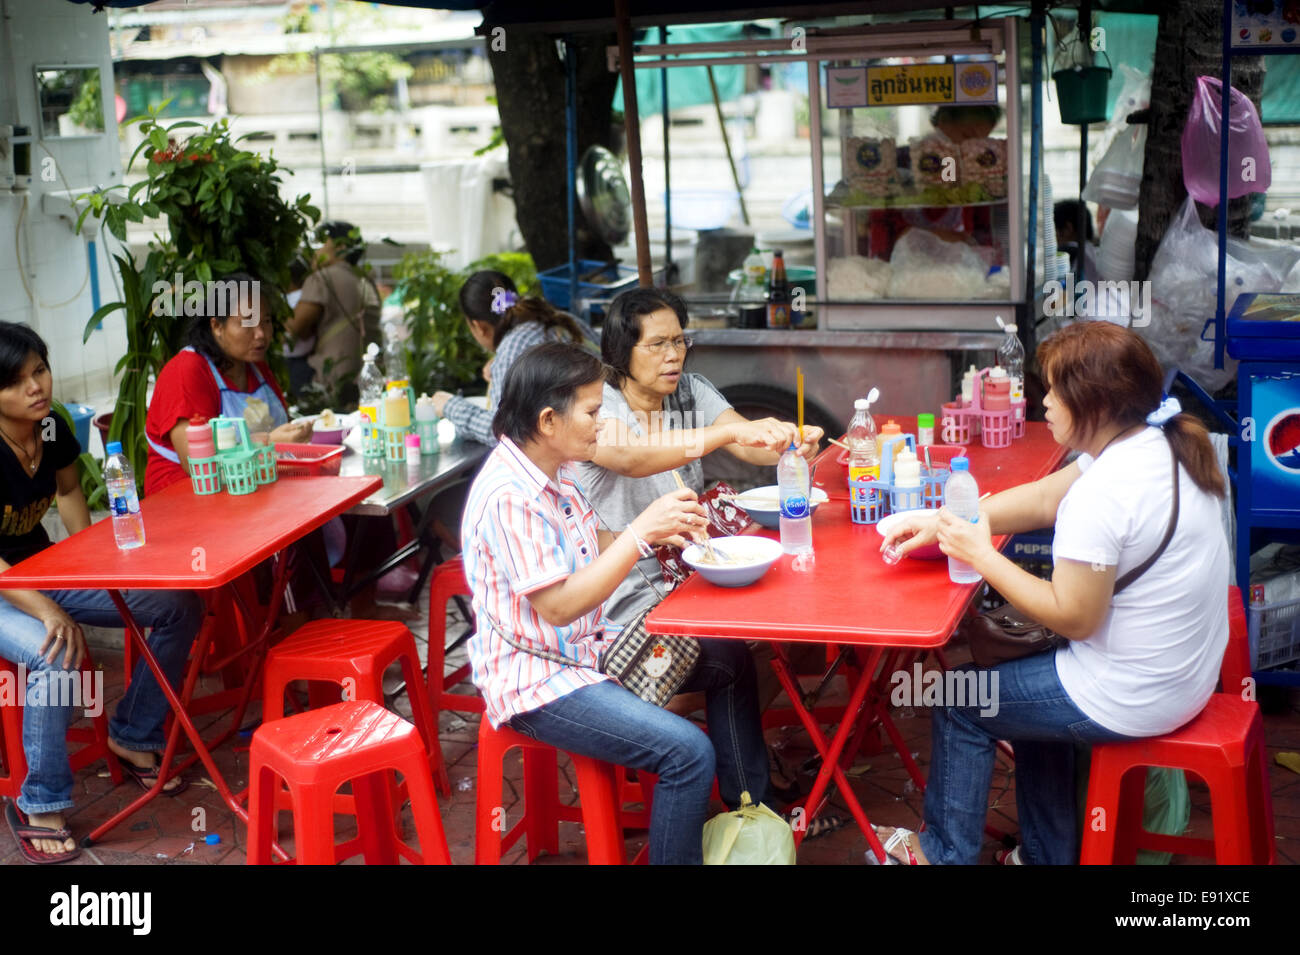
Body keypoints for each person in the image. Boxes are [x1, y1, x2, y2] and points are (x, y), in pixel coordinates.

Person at [875, 321, 1229, 865]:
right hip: (1183, 676)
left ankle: (943, 856)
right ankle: (1047, 856)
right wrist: (941, 519)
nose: (1044, 401)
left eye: (1056, 390)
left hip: (1136, 694)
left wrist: (982, 555)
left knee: (957, 699)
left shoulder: (1105, 494)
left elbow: (1074, 619)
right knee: (1020, 694)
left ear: (1096, 402)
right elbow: (1042, 499)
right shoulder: (1150, 441)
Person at [461, 341, 775, 865]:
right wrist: (639, 533)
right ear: (547, 420)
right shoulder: (509, 495)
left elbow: (588, 544)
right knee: (687, 754)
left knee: (729, 659)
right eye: (592, 411)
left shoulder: (556, 469)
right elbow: (558, 605)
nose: (602, 424)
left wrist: (661, 532)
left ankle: (753, 817)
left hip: (591, 651)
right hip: (539, 680)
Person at [0, 322, 205, 863]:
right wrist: (45, 607)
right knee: (56, 656)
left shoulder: (49, 428)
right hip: (3, 590)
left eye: (39, 370)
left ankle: (134, 733)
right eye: (16, 381)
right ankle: (37, 801)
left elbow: (69, 488)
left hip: (42, 570)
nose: (36, 387)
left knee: (178, 604)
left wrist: (91, 556)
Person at [144, 273, 311, 495]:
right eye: (247, 323)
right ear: (217, 326)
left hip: (251, 488)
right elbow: (199, 465)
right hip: (186, 499)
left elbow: (284, 426)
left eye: (266, 322)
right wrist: (268, 442)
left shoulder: (254, 365)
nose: (261, 334)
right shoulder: (187, 371)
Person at [430, 270, 597, 446]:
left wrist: (450, 406)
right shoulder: (562, 320)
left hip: (576, 456)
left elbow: (504, 433)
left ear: (478, 327)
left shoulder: (513, 348)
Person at [287, 221, 381, 408]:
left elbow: (292, 328)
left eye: (321, 243)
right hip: (365, 377)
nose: (314, 250)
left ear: (341, 247)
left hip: (329, 378)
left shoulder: (325, 277)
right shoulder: (366, 280)